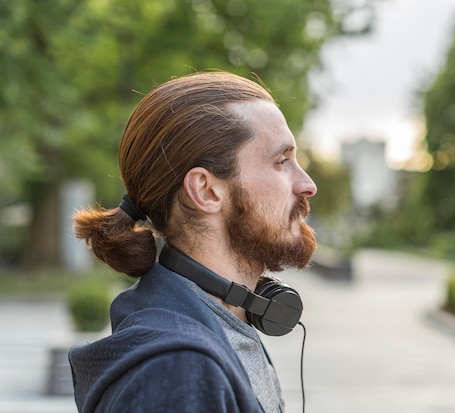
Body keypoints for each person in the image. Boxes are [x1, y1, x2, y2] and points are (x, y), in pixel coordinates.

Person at [69, 71, 318, 413]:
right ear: (205, 190)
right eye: (281, 162)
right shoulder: (177, 373)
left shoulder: (223, 321)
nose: (307, 184)